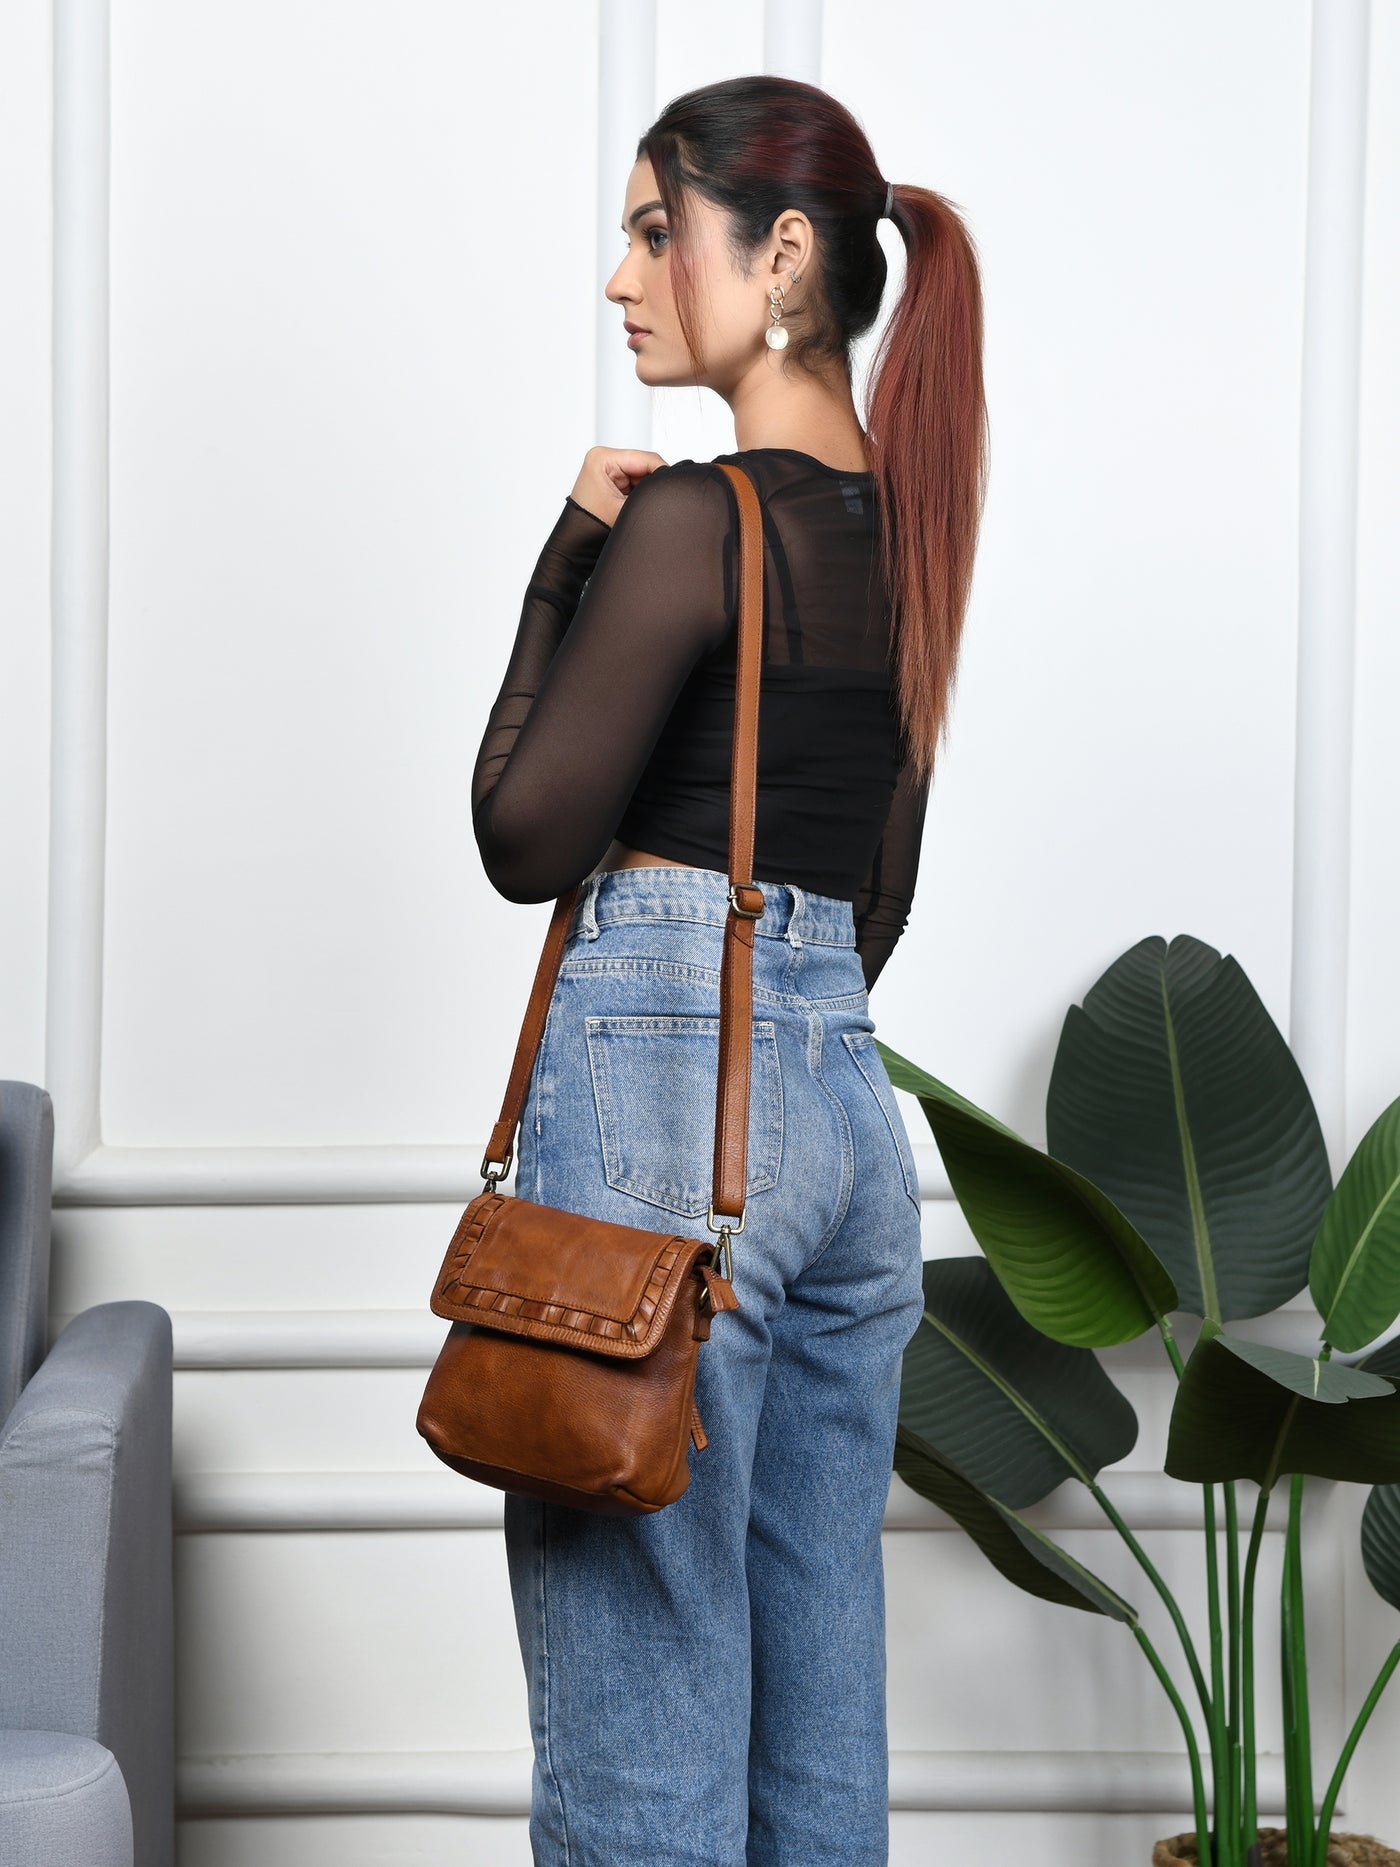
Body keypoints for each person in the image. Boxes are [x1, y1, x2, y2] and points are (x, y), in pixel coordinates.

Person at [470, 72, 988, 1867]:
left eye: (650, 230)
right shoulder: (911, 535)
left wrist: (564, 567)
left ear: (777, 258)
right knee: (815, 1718)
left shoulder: (696, 521)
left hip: (669, 1122)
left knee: (644, 1740)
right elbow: (876, 896)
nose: (620, 277)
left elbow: (523, 836)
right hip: (844, 1124)